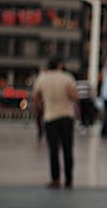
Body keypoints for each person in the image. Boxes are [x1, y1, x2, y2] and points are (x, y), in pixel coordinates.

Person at [32, 56, 79, 188]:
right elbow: (75, 96)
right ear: (59, 65)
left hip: (50, 117)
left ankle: (55, 179)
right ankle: (69, 179)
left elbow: (36, 99)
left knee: (53, 149)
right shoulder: (67, 77)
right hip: (66, 117)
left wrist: (42, 108)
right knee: (67, 149)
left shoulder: (42, 78)